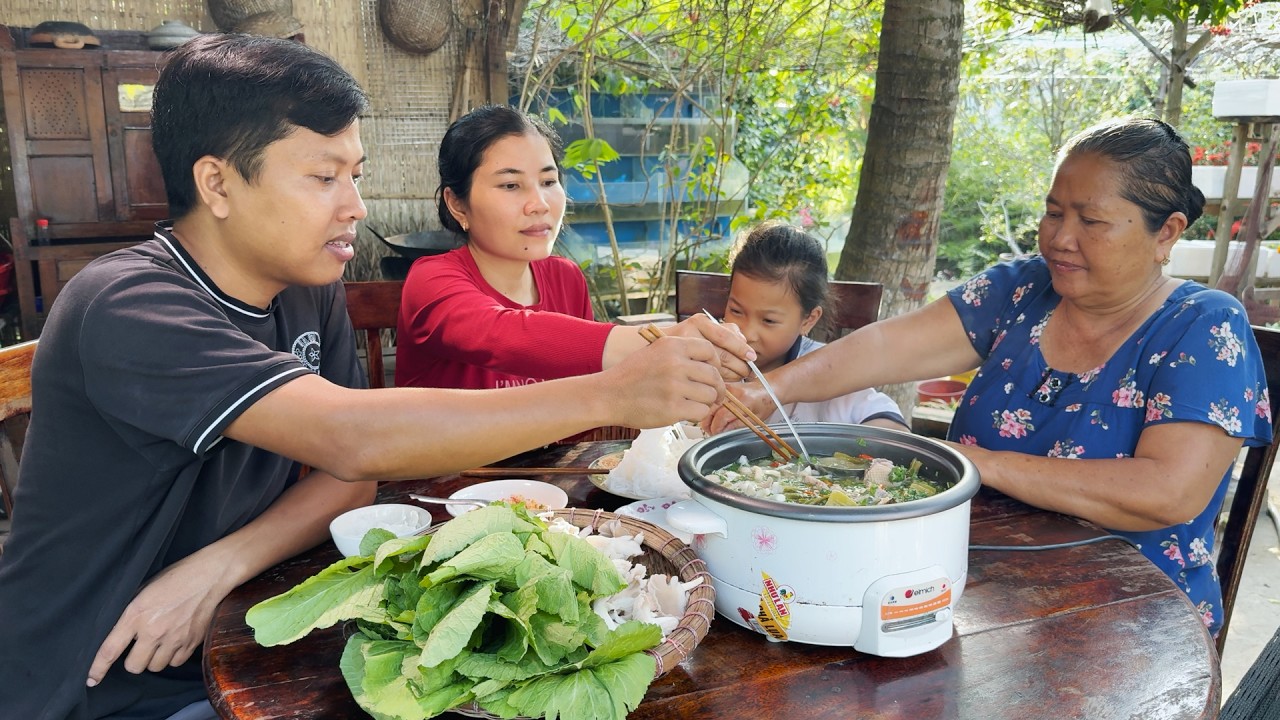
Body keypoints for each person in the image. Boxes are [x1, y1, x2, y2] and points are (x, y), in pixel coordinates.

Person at [0, 35, 745, 720]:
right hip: (104, 683)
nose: (354, 206)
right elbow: (352, 439)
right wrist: (615, 390)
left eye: (353, 175)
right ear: (217, 183)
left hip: (246, 629)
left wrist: (216, 567)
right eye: (324, 177)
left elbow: (349, 478)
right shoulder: (129, 303)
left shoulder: (305, 283)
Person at [711, 117, 1272, 637]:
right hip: (973, 588)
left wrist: (974, 463)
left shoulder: (1203, 325)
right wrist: (772, 389)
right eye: (1054, 212)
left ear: (1166, 233)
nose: (1059, 238)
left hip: (1126, 615)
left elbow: (1169, 493)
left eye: (1092, 220)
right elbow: (885, 346)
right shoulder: (1022, 290)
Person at [394, 104, 754, 391]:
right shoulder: (431, 280)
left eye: (549, 181)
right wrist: (661, 339)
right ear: (458, 205)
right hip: (452, 481)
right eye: (510, 186)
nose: (539, 203)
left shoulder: (565, 278)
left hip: (557, 478)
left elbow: (590, 394)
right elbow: (505, 336)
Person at [723, 222, 906, 430]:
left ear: (808, 319)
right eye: (736, 311)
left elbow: (892, 424)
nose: (747, 333)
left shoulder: (824, 368)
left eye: (769, 321)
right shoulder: (708, 357)